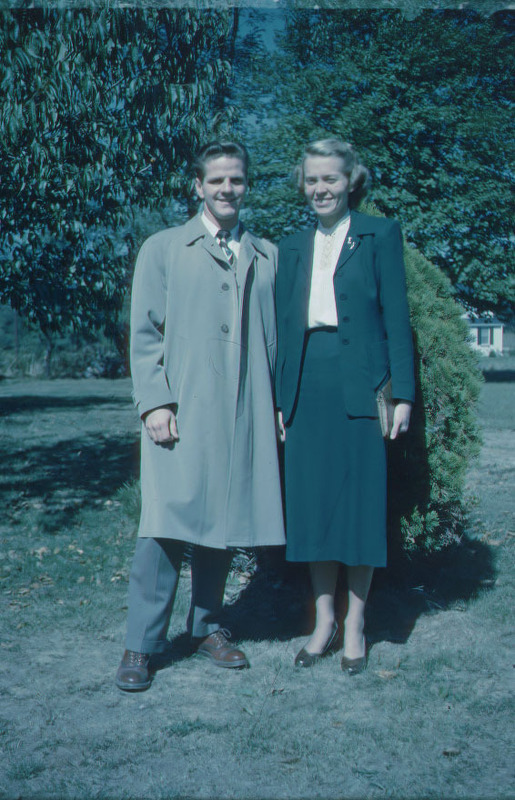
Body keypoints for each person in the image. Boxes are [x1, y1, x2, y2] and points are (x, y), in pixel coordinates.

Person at [116, 141, 285, 691]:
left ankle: (208, 626)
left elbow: (276, 341)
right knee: (165, 525)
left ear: (246, 185)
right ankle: (142, 645)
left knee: (224, 522)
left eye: (236, 181)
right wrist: (155, 401)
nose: (227, 189)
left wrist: (278, 406)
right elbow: (144, 335)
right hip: (181, 409)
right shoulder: (164, 248)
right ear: (198, 186)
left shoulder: (266, 254)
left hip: (245, 411)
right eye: (216, 181)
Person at [275, 138, 415, 674]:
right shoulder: (290, 246)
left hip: (361, 383)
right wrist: (281, 399)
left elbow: (397, 319)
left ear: (350, 180)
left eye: (330, 178)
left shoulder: (380, 234)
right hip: (308, 383)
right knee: (312, 506)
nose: (320, 188)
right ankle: (324, 621)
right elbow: (287, 332)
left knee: (358, 507)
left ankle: (356, 625)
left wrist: (401, 393)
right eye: (312, 179)